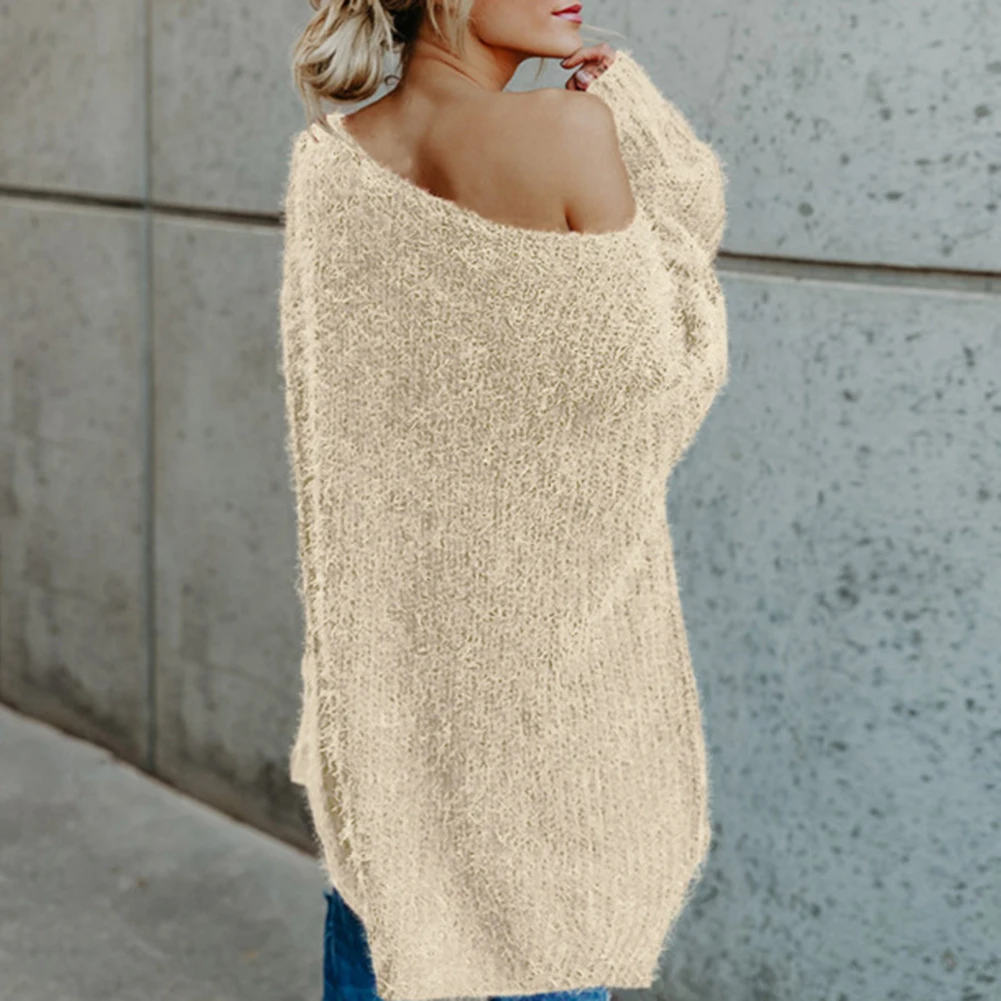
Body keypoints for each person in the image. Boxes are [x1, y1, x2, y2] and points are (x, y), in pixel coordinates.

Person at [281, 2, 729, 1000]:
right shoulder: (567, 129)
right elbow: (667, 377)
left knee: (384, 944)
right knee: (540, 960)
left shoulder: (328, 162)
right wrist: (645, 131)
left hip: (384, 720)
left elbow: (338, 433)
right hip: (538, 728)